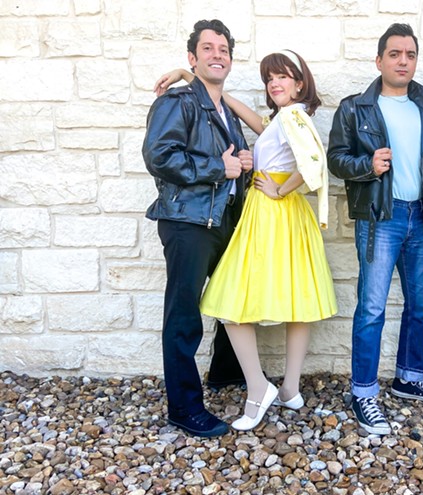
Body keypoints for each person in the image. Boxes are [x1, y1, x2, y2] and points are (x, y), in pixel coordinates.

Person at [156, 49, 337, 431]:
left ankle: (259, 389)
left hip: (271, 214)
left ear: (300, 83)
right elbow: (241, 111)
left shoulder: (292, 117)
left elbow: (315, 165)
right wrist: (190, 77)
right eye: (269, 78)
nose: (275, 83)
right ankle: (289, 388)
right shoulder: (283, 118)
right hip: (285, 218)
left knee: (231, 300)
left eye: (284, 76)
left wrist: (280, 189)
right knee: (296, 298)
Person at [327, 23, 423, 436]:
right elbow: (336, 159)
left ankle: (408, 377)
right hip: (381, 218)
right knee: (373, 308)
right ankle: (363, 391)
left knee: (421, 306)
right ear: (379, 61)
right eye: (394, 54)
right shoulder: (355, 107)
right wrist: (367, 165)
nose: (402, 61)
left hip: (419, 216)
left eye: (410, 55)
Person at [142, 19, 254, 438]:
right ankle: (184, 407)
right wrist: (217, 168)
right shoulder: (179, 101)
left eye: (223, 48)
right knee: (184, 315)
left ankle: (224, 374)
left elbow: (229, 163)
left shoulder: (223, 109)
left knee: (232, 302)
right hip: (187, 223)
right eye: (207, 48)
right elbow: (159, 155)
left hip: (221, 221)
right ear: (192, 58)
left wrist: (242, 165)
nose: (217, 54)